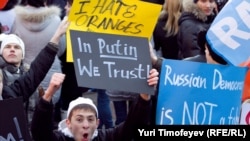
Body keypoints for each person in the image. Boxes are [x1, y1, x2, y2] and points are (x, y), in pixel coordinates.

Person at [31, 68, 159, 141]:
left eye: (90, 119)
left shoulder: (105, 138)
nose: (85, 125)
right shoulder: (59, 139)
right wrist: (48, 94)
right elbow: (40, 132)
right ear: (68, 123)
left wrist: (144, 96)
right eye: (79, 119)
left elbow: (132, 127)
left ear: (97, 123)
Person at [58, 0, 114, 129]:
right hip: (84, 69)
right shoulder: (97, 19)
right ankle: (106, 129)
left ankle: (101, 129)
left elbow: (60, 49)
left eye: (68, 5)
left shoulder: (66, 23)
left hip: (75, 72)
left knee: (99, 98)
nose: (65, 7)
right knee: (102, 97)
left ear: (77, 7)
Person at [1, 16, 69, 103]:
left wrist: (57, 35)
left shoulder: (28, 74)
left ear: (23, 55)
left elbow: (39, 67)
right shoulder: (2, 75)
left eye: (17, 47)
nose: (12, 49)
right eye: (7, 47)